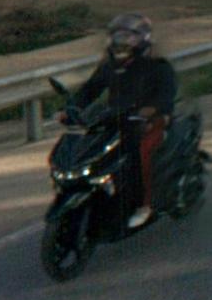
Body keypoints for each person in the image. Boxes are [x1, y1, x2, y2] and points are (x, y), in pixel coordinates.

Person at [71, 13, 178, 229]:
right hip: (117, 120)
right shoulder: (109, 67)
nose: (121, 43)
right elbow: (89, 90)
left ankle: (144, 205)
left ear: (143, 39)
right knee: (91, 150)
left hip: (148, 122)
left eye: (128, 37)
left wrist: (151, 110)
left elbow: (166, 95)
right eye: (117, 37)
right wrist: (71, 108)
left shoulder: (158, 66)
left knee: (141, 153)